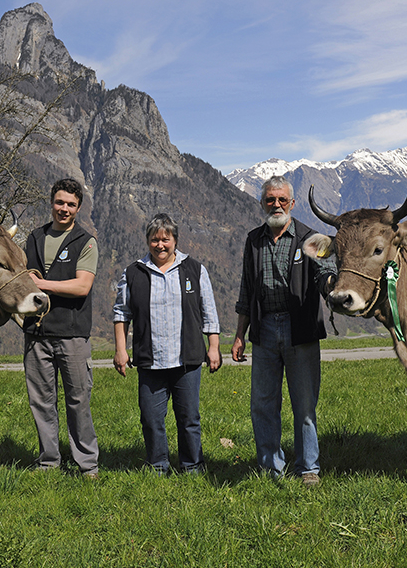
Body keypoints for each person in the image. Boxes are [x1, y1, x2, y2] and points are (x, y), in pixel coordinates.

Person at [231, 175, 336, 486]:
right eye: (269, 200)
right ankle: (270, 468)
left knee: (304, 405)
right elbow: (246, 290)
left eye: (281, 200)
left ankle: (309, 469)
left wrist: (330, 286)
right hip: (264, 330)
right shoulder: (254, 240)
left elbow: (326, 271)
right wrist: (240, 335)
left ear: (292, 203)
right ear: (262, 203)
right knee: (263, 404)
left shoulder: (310, 237)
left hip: (300, 330)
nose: (275, 205)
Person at [113, 213, 222, 474]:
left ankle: (192, 466)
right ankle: (157, 466)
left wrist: (214, 347)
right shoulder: (133, 272)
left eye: (166, 239)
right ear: (147, 241)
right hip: (151, 359)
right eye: (154, 240)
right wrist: (120, 349)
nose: (160, 245)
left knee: (189, 419)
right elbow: (121, 313)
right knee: (151, 419)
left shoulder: (194, 269)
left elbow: (209, 312)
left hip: (187, 359)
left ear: (175, 240)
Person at [23, 177, 100, 478]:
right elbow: (26, 272)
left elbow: (82, 286)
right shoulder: (34, 237)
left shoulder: (85, 241)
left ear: (78, 208)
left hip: (72, 334)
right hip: (37, 334)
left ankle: (87, 464)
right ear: (51, 202)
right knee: (41, 401)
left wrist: (42, 284)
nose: (63, 209)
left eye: (70, 204)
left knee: (78, 400)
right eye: (59, 202)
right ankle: (48, 461)